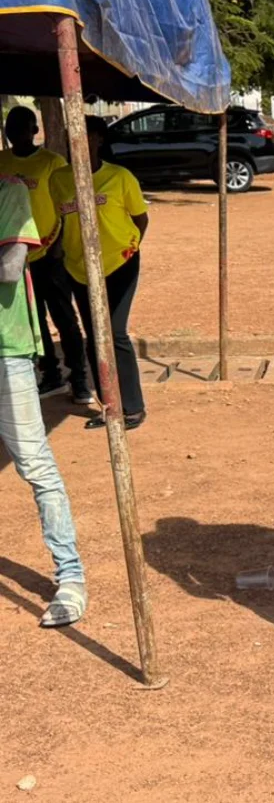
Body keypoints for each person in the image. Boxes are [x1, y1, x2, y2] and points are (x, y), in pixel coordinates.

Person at [0, 174, 87, 627]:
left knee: (34, 464)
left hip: (7, 351)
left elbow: (11, 267)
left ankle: (70, 576)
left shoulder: (10, 191)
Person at [49, 116, 148, 431]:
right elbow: (62, 221)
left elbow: (141, 219)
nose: (76, 141)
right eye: (71, 136)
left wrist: (130, 246)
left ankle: (133, 407)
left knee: (114, 333)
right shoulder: (59, 180)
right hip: (79, 269)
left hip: (119, 264)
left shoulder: (119, 177)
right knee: (94, 336)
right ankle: (109, 406)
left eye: (85, 135)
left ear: (99, 140)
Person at [0, 107, 91, 403]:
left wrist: (57, 243)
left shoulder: (52, 162)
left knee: (64, 316)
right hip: (16, 256)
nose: (15, 133)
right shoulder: (2, 161)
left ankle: (79, 377)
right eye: (10, 128)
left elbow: (65, 204)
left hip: (50, 252)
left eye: (22, 127)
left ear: (35, 130)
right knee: (33, 319)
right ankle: (50, 374)